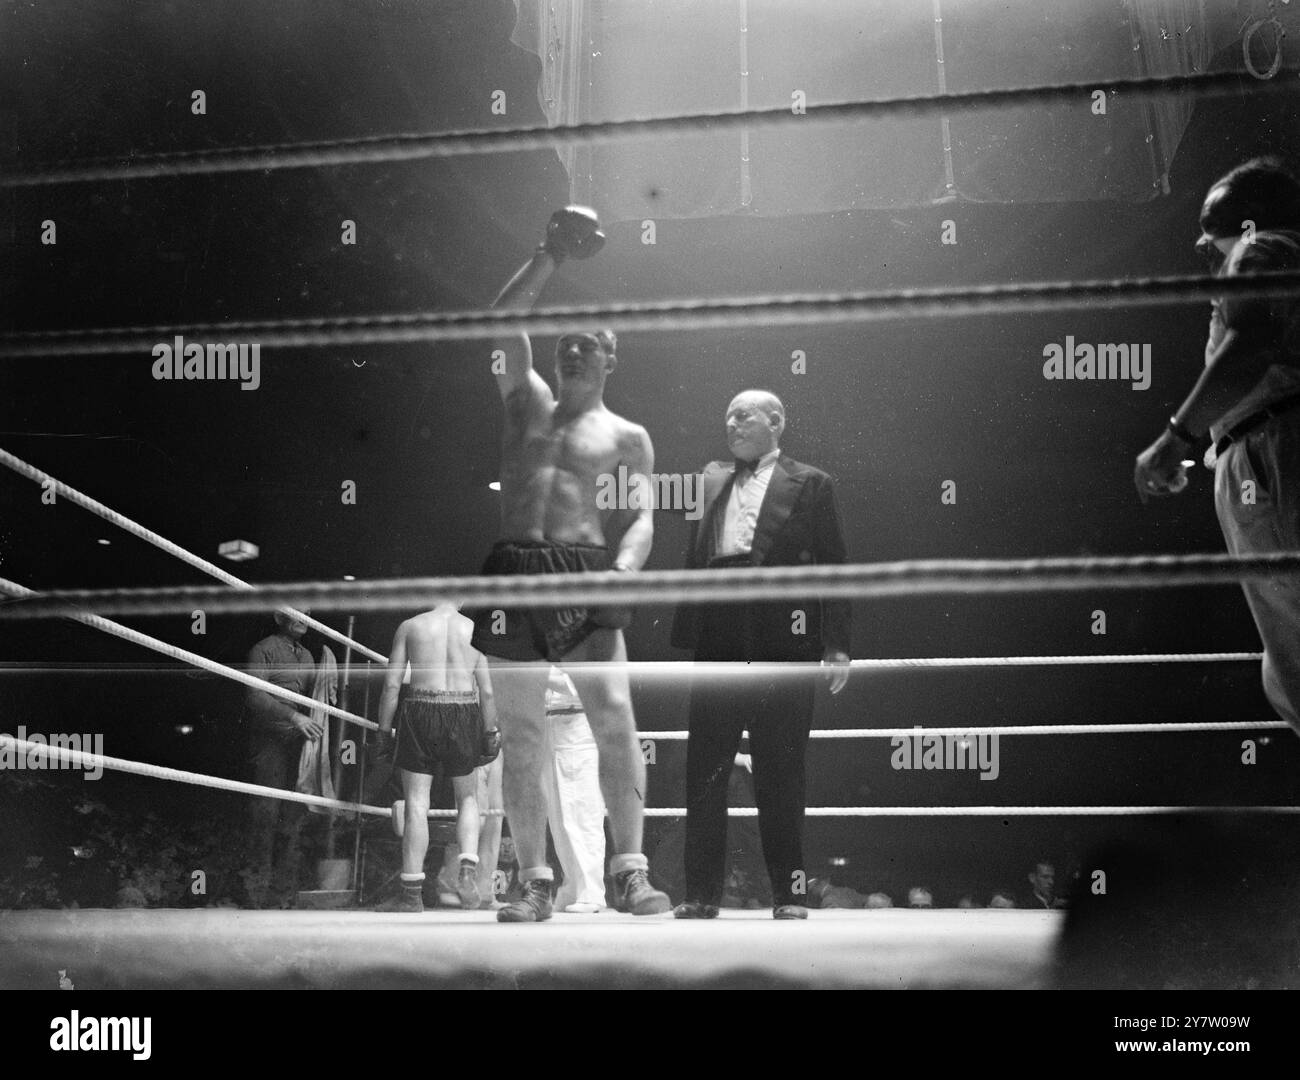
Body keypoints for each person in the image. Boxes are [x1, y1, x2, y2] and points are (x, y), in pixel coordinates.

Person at [470, 206, 670, 922]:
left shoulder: (628, 436)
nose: (572, 353)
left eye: (586, 346)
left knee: (613, 714)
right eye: (564, 345)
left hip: (587, 565)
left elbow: (642, 515)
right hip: (515, 565)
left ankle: (629, 870)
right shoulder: (526, 403)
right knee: (521, 730)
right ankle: (532, 877)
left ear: (611, 357)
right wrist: (549, 254)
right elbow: (497, 320)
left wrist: (624, 570)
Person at [671, 390, 852, 920]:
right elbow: (695, 554)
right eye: (726, 413)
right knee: (705, 765)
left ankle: (790, 893)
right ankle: (700, 895)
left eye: (743, 414)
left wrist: (836, 642)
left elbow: (833, 566)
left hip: (784, 632)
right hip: (719, 629)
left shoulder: (812, 482)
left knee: (782, 767)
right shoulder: (710, 480)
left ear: (776, 421)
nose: (731, 422)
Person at [1134, 157, 1300, 732]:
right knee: (1282, 672)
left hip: (1270, 456)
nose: (1202, 241)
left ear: (1251, 224)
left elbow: (1250, 344)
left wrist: (1174, 437)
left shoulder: (1264, 251)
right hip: (1267, 449)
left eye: (1214, 224)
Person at [373, 602, 500, 913]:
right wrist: (489, 732)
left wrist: (383, 731)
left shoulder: (411, 625)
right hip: (463, 710)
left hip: (420, 708)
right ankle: (468, 867)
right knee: (468, 798)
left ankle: (411, 895)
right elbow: (488, 692)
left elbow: (391, 685)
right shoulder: (476, 630)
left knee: (417, 802)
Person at [243, 608, 321, 907]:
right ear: (279, 617)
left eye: (307, 612)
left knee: (294, 815)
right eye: (295, 611)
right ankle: (255, 895)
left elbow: (318, 698)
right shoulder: (263, 649)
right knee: (265, 812)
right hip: (269, 738)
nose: (302, 617)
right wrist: (292, 716)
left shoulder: (309, 656)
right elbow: (254, 695)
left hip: (299, 742)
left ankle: (283, 896)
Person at [540, 667, 609, 912]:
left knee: (582, 814)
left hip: (579, 724)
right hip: (549, 722)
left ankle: (591, 891)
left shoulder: (585, 635)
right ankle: (572, 888)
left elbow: (580, 682)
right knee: (558, 818)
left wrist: (529, 669)